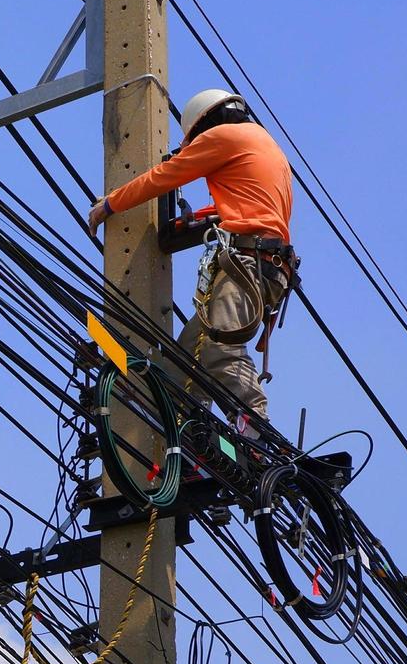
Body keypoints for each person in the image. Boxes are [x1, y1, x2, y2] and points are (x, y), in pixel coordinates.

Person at [85, 89, 297, 434]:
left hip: (247, 264)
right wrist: (193, 220)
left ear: (205, 124)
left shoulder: (223, 136)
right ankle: (192, 439)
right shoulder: (265, 147)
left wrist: (110, 204)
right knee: (183, 367)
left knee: (219, 349)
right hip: (268, 268)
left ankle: (256, 427)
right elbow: (240, 208)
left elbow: (164, 176)